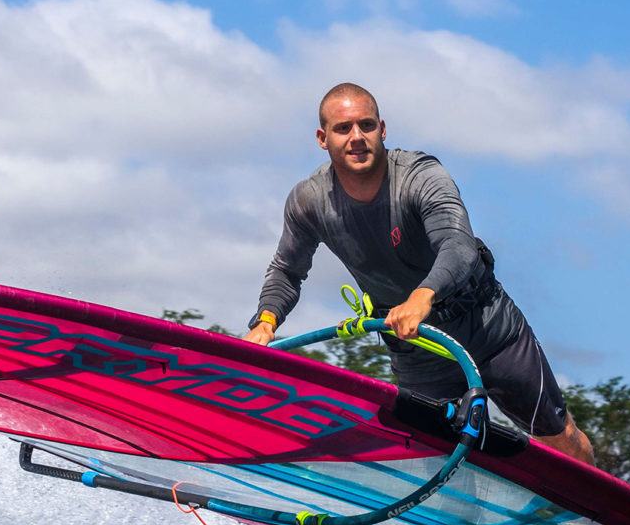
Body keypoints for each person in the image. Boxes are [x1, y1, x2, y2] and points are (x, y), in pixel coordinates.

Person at [244, 82, 594, 467]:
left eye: (366, 125)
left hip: (487, 327)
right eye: (343, 128)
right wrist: (265, 323)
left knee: (560, 440)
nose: (357, 137)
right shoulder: (309, 201)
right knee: (431, 461)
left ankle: (593, 503)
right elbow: (287, 270)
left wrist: (422, 295)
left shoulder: (420, 176)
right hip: (417, 348)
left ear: (382, 129)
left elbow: (457, 246)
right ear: (322, 138)